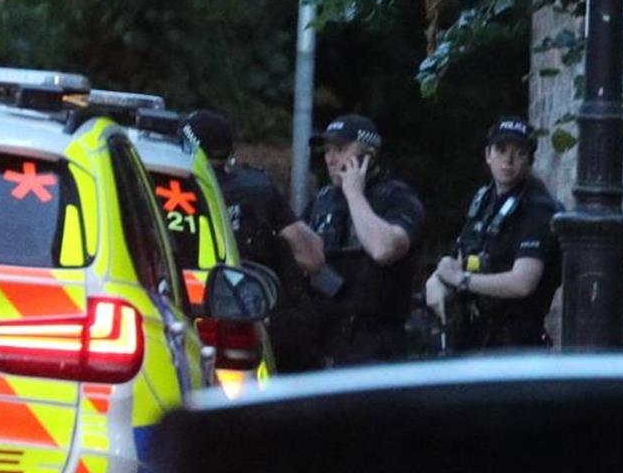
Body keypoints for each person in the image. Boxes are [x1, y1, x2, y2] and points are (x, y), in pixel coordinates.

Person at [181, 110, 326, 372]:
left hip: (192, 315)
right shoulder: (258, 187)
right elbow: (312, 257)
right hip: (261, 315)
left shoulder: (172, 188)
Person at [425, 116, 564, 350]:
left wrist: (461, 281)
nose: (508, 160)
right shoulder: (484, 199)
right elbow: (462, 254)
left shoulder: (538, 208)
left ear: (529, 160)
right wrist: (437, 278)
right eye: (501, 150)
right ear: (488, 155)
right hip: (473, 335)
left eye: (519, 152)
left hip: (516, 341)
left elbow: (523, 283)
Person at [304, 114, 425, 366]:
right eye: (327, 150)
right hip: (325, 338)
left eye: (340, 149)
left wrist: (355, 195)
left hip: (376, 341)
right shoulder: (321, 201)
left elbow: (384, 249)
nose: (330, 159)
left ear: (369, 154)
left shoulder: (396, 197)